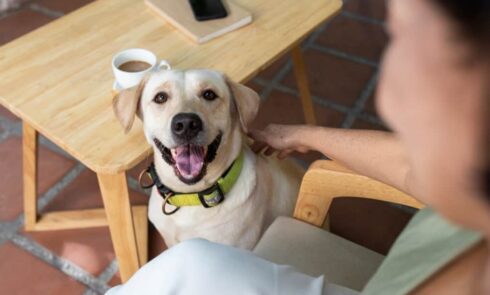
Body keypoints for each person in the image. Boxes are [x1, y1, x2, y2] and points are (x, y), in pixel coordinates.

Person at [106, 0, 490, 294]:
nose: (386, 87)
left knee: (187, 266)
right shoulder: (462, 183)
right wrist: (305, 136)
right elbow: (410, 168)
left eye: (404, 37)